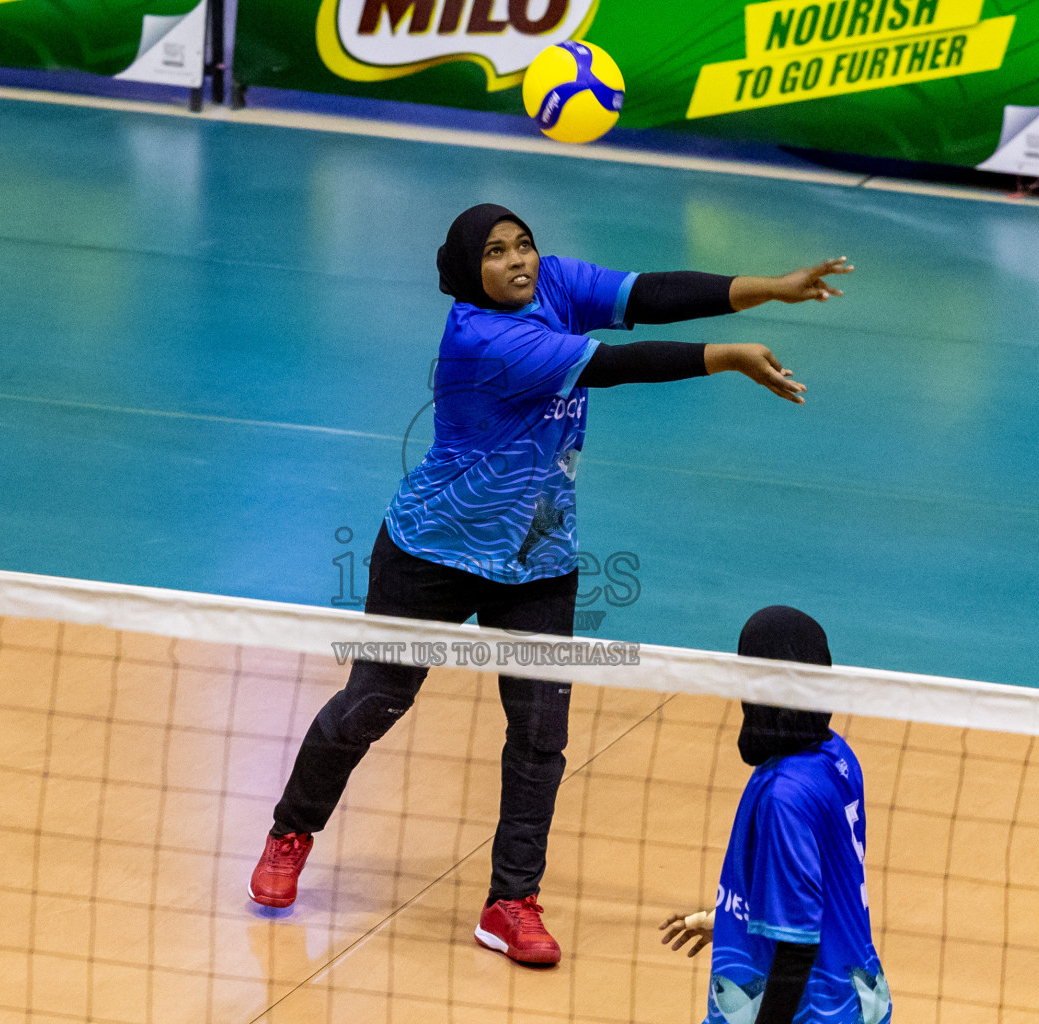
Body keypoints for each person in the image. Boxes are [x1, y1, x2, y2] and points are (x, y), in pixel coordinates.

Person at [250, 203, 854, 965]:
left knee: (540, 737)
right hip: (430, 553)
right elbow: (614, 365)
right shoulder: (484, 338)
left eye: (524, 245)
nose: (518, 261)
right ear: (469, 272)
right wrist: (728, 356)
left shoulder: (555, 286)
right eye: (497, 253)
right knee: (372, 703)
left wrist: (771, 286)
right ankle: (289, 834)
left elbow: (653, 294)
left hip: (537, 560)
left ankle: (510, 901)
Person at [659, 606, 890, 1023]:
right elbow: (816, 888)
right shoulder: (835, 756)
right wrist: (730, 921)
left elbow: (798, 946)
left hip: (811, 1010)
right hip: (856, 995)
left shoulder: (784, 796)